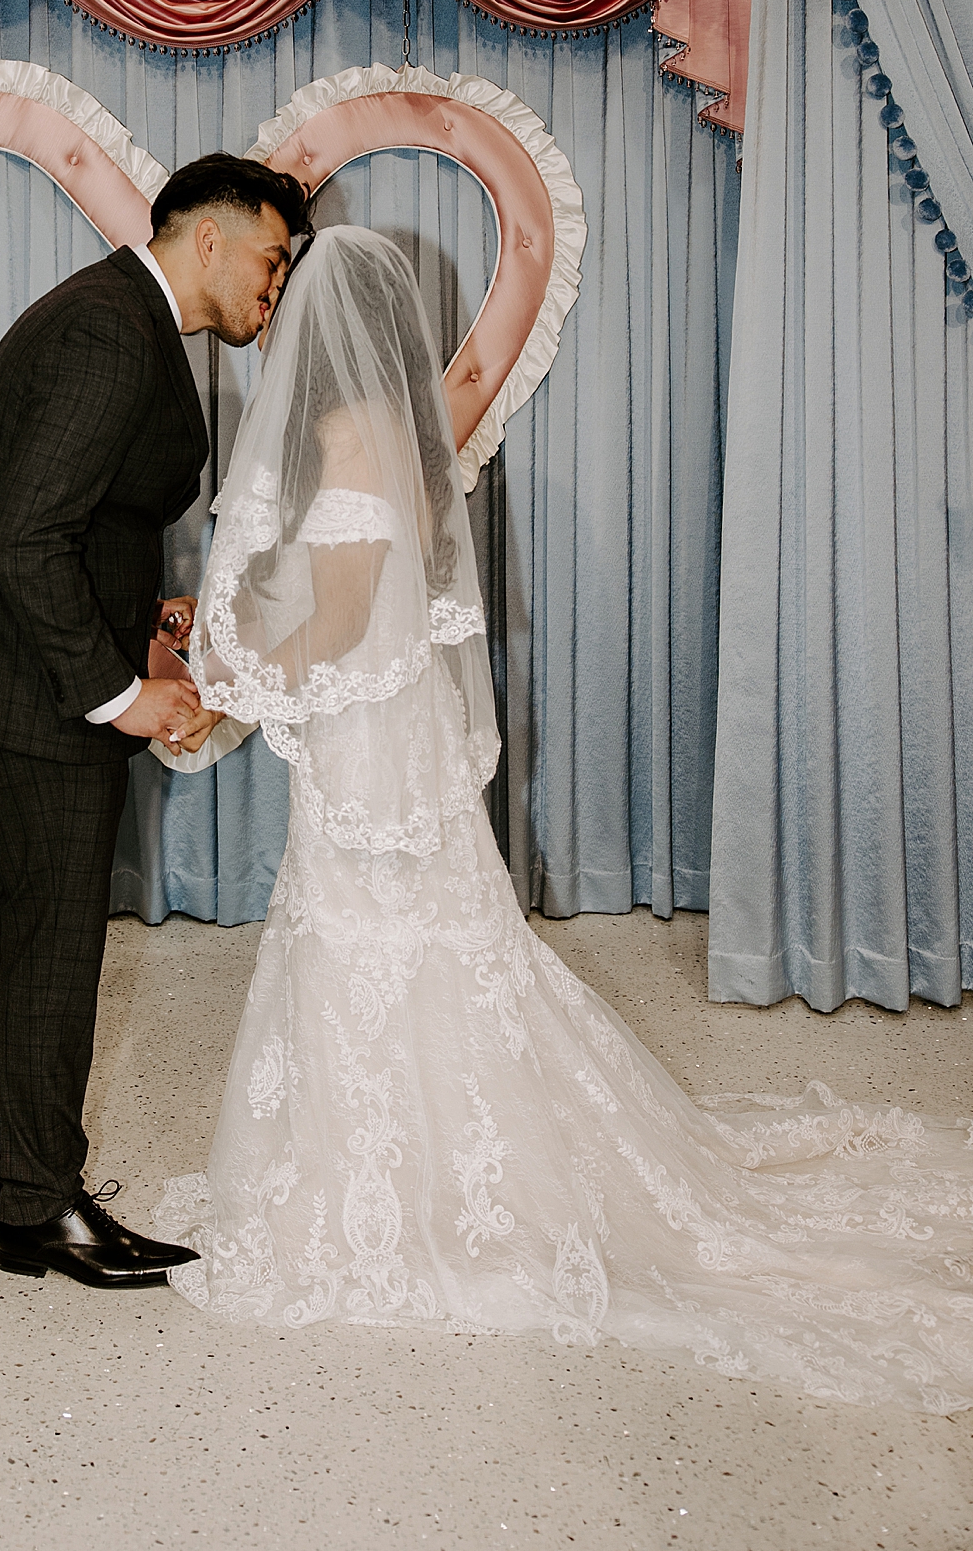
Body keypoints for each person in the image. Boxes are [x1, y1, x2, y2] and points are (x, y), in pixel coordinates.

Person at [159, 226, 973, 1411]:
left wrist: (226, 684)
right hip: (407, 734)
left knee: (367, 939)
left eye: (290, 295)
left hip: (370, 748)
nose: (277, 314)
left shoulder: (342, 438)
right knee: (442, 943)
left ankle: (394, 1193)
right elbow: (371, 596)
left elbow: (335, 624)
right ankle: (444, 1161)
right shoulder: (404, 435)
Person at [0, 153, 310, 1288]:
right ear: (208, 238)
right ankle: (40, 1210)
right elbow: (27, 536)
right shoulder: (111, 333)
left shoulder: (114, 316)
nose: (275, 286)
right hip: (39, 692)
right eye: (271, 258)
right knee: (53, 941)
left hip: (12, 668)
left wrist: (147, 615)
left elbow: (73, 516)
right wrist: (125, 693)